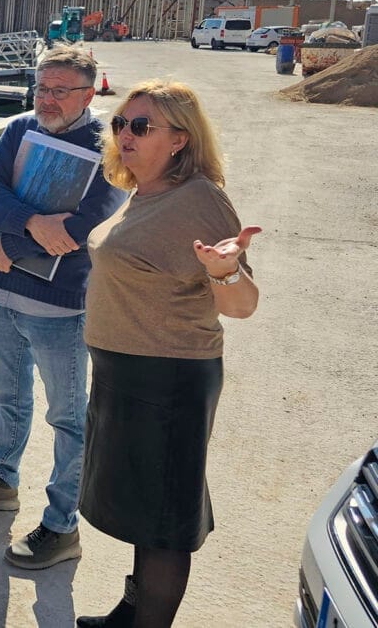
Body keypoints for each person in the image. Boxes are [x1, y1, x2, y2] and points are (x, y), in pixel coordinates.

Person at [76, 80, 261, 628]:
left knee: (163, 523)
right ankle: (129, 614)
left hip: (168, 380)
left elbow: (242, 305)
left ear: (180, 139)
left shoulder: (199, 199)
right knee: (143, 511)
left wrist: (224, 270)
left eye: (141, 126)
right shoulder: (146, 190)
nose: (124, 135)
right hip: (123, 372)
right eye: (120, 124)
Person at [0, 46, 126, 568]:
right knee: (8, 396)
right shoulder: (20, 128)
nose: (46, 99)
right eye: (41, 88)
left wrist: (12, 243)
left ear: (88, 93)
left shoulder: (111, 145)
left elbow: (88, 222)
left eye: (59, 91)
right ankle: (1, 480)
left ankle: (62, 526)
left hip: (59, 308)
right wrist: (25, 227)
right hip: (1, 293)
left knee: (67, 417)